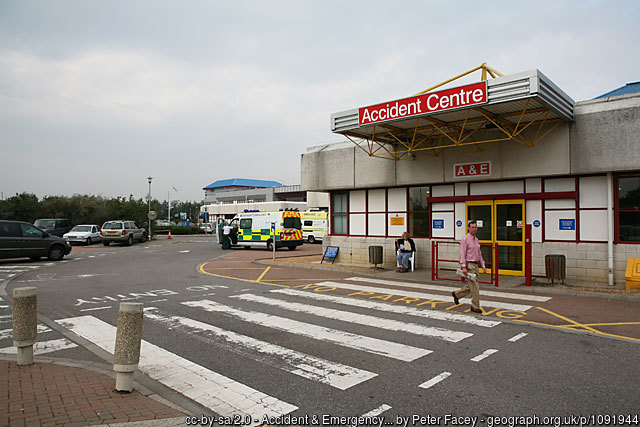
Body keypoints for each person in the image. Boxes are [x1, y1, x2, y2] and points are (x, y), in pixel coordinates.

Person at [453, 220, 485, 313]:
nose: (474, 229)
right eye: (472, 227)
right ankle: (475, 306)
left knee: (472, 285)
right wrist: (463, 266)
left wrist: (482, 264)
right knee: (475, 286)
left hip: (475, 264)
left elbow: (479, 253)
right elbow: (462, 253)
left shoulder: (476, 239)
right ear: (468, 228)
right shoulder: (465, 239)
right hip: (469, 264)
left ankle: (457, 294)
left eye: (475, 227)